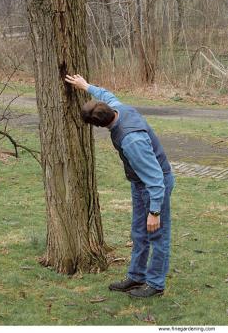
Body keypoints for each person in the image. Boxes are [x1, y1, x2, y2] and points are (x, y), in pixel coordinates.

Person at [65, 74, 175, 298]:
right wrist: (85, 86)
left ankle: (155, 285)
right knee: (139, 233)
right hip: (141, 184)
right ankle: (137, 276)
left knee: (157, 235)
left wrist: (154, 211)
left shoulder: (131, 140)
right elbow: (106, 95)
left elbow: (155, 179)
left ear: (99, 126)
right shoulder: (118, 108)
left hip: (155, 186)